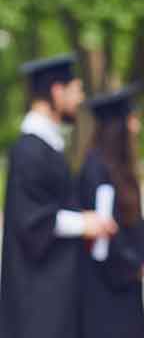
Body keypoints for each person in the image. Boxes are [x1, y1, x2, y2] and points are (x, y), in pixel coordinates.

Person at [0, 54, 117, 338]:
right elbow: (29, 219)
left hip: (52, 287)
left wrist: (85, 219)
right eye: (76, 90)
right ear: (56, 90)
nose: (79, 99)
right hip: (36, 293)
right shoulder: (29, 149)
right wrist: (83, 224)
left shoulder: (47, 144)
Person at [78, 86, 144, 338]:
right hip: (105, 283)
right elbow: (106, 229)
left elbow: (132, 219)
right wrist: (135, 263)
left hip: (126, 281)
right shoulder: (95, 168)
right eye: (131, 119)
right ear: (117, 127)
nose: (136, 127)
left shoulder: (119, 168)